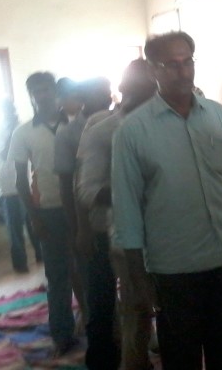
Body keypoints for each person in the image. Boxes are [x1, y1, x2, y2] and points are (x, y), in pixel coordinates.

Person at [111, 31, 222, 370]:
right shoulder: (133, 131)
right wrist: (138, 278)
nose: (183, 72)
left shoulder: (218, 116)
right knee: (182, 355)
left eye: (188, 62)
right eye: (172, 64)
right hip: (173, 267)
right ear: (153, 70)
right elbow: (127, 209)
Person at [76, 59, 157, 370]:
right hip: (130, 238)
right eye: (140, 89)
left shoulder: (174, 124)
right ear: (122, 89)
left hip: (177, 234)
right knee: (136, 310)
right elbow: (88, 190)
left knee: (177, 308)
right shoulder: (103, 131)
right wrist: (136, 189)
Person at [8, 72, 77, 356]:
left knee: (88, 271)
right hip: (47, 211)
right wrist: (34, 217)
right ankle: (62, 334)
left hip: (81, 209)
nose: (43, 95)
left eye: (47, 89)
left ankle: (96, 324)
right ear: (31, 96)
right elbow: (21, 181)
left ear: (56, 92)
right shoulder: (22, 133)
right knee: (57, 276)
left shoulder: (76, 123)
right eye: (37, 91)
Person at [54, 76, 112, 335]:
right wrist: (78, 228)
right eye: (100, 92)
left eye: (108, 91)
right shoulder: (68, 133)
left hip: (125, 218)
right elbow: (68, 185)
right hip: (92, 220)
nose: (108, 97)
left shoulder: (123, 122)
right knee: (98, 284)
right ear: (83, 99)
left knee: (133, 280)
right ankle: (102, 333)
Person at [0, 99, 41, 273]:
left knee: (34, 222)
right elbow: (3, 153)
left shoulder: (23, 128)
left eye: (12, 108)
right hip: (7, 186)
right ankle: (20, 264)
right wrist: (12, 134)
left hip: (26, 182)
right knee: (15, 229)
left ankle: (41, 256)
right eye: (7, 109)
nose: (11, 112)